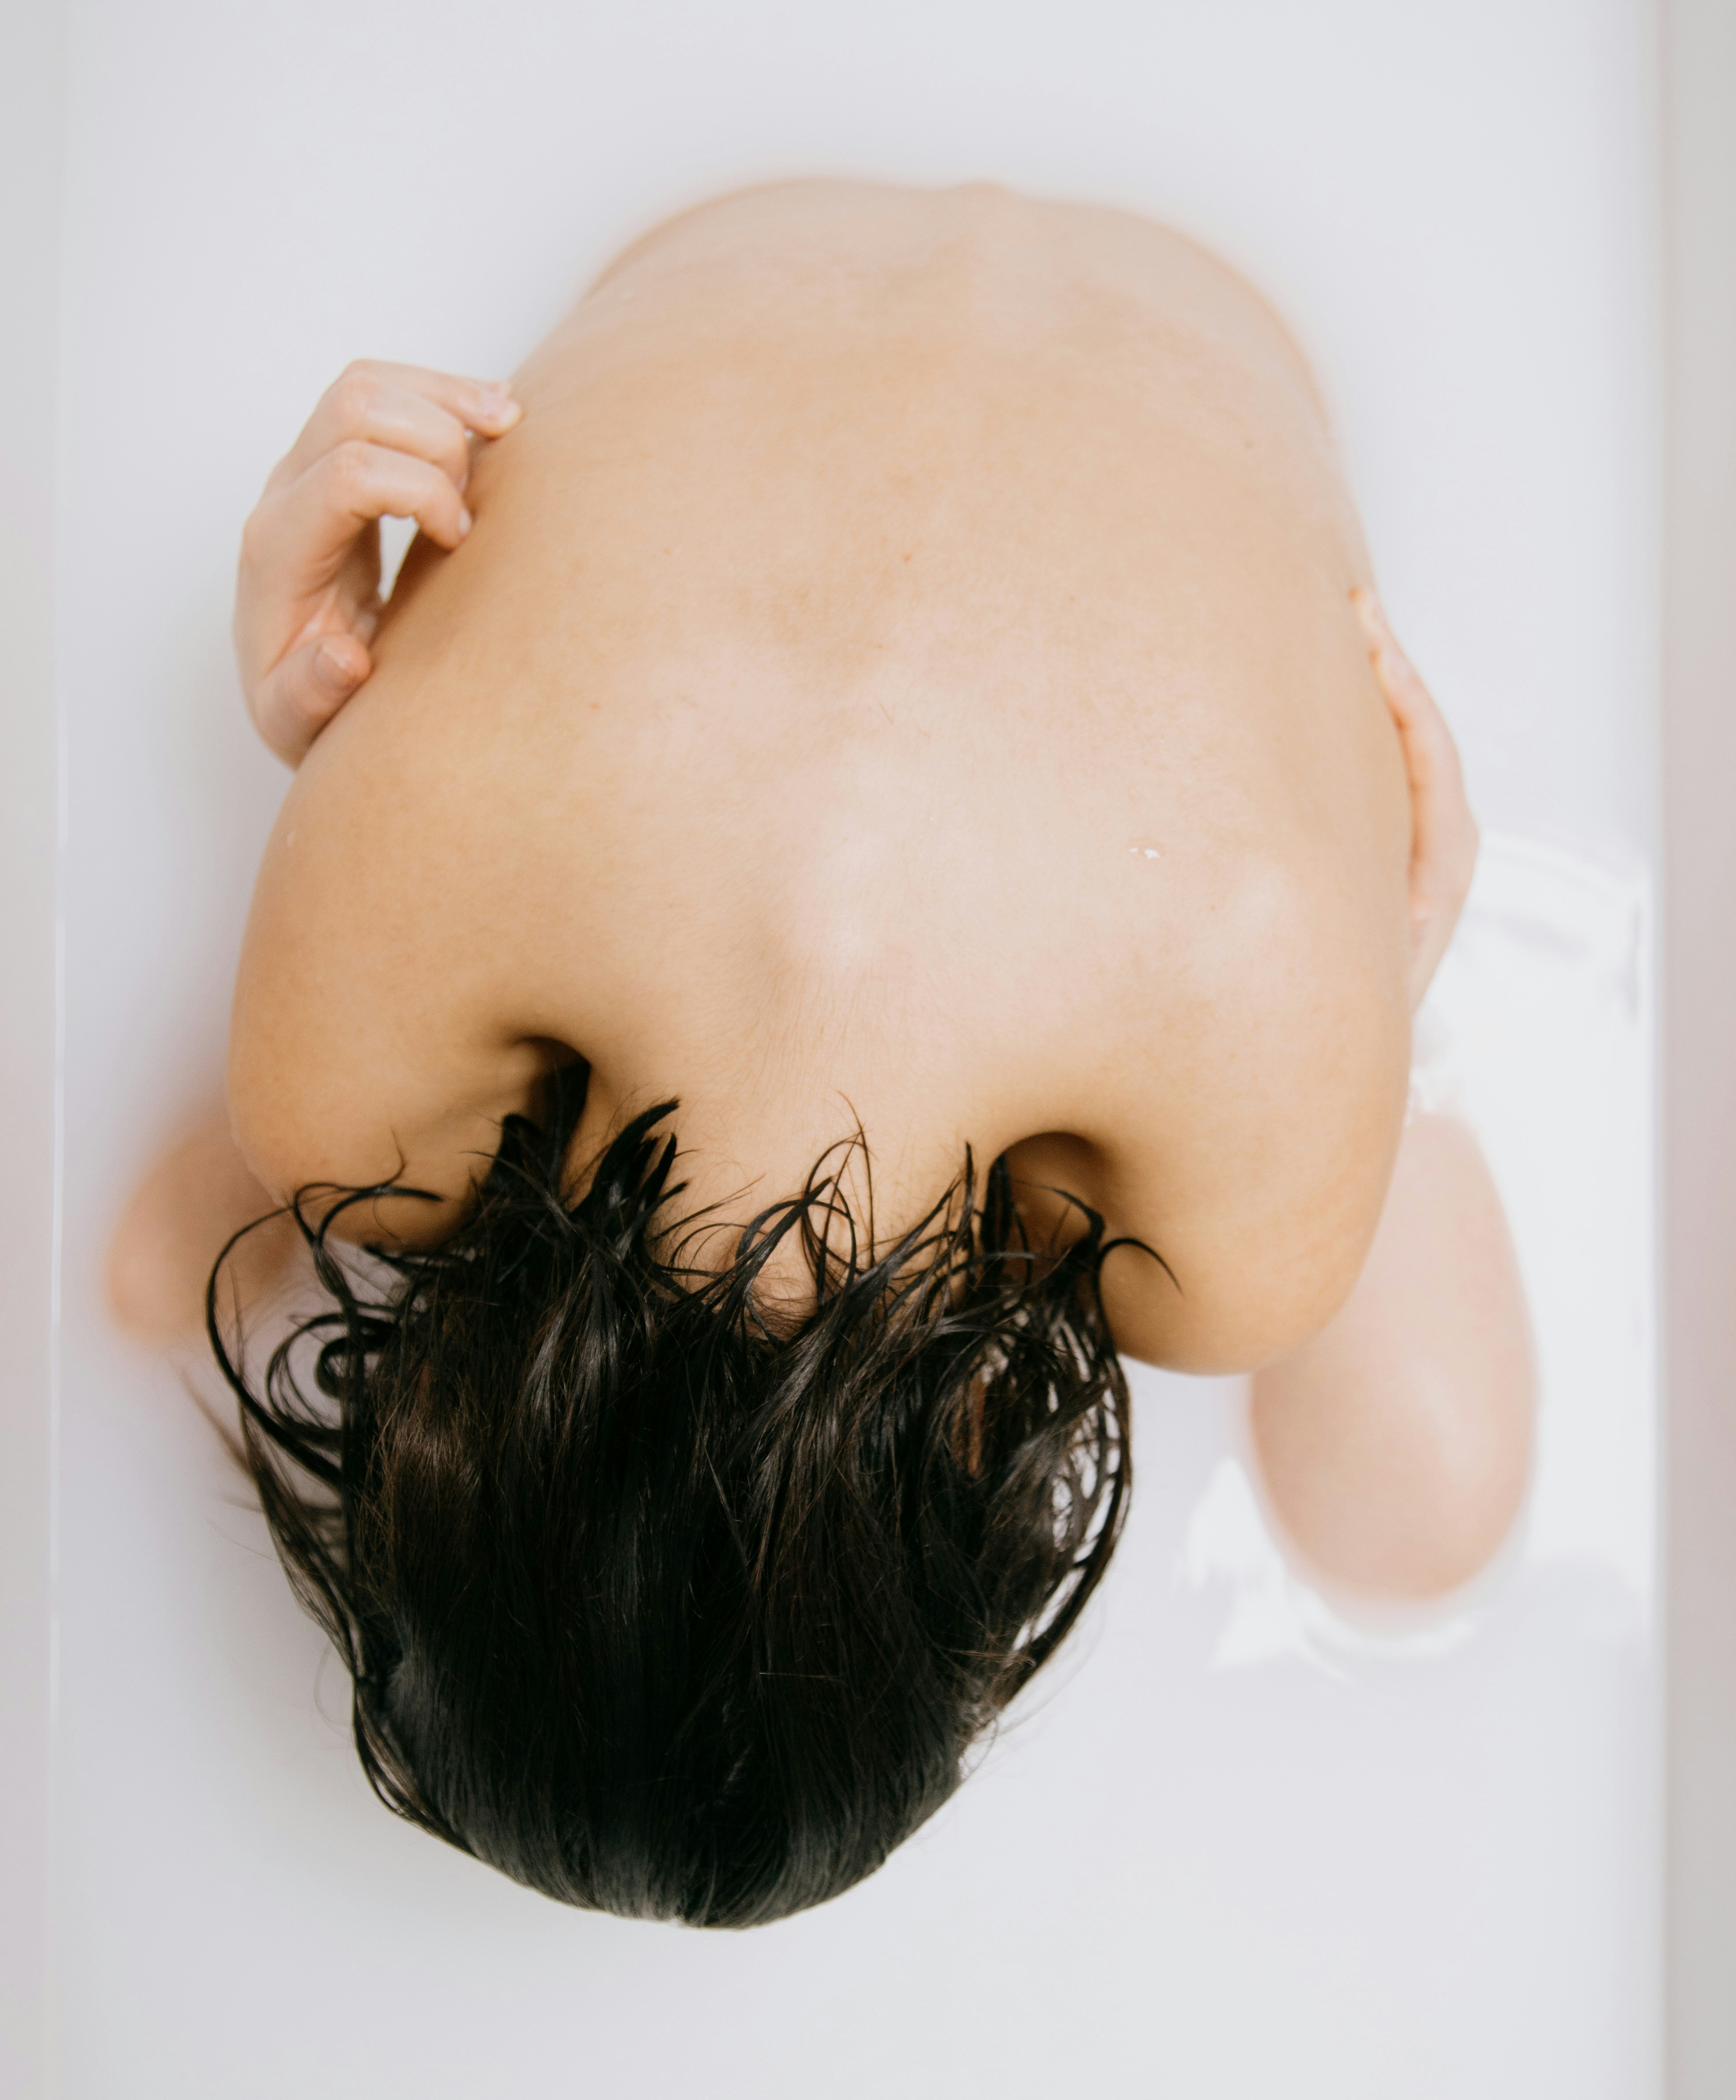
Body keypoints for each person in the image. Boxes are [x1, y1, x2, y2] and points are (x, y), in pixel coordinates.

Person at [110, 178, 1533, 1924]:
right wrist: (322, 732)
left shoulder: (1232, 1147)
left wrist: (1380, 985)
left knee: (1422, 1510)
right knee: (181, 1242)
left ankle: (1388, 1049)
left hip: (1216, 313)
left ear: (972, 1504)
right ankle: (415, 1133)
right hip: (731, 224)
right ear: (445, 1436)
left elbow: (1320, 1082)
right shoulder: (334, 1084)